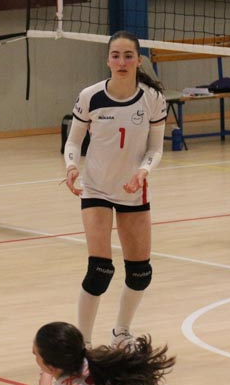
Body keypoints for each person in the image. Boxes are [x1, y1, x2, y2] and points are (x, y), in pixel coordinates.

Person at [63, 31, 168, 347]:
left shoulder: (153, 99)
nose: (122, 62)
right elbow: (73, 141)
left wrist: (144, 171)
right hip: (96, 188)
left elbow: (156, 148)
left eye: (128, 56)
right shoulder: (90, 96)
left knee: (140, 273)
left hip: (133, 190)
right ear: (108, 60)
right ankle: (83, 343)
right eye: (116, 55)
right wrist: (71, 166)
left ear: (138, 60)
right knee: (99, 271)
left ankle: (121, 332)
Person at [33, 321, 203, 385]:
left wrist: (46, 376)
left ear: (51, 365)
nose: (35, 358)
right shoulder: (100, 360)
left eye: (36, 354)